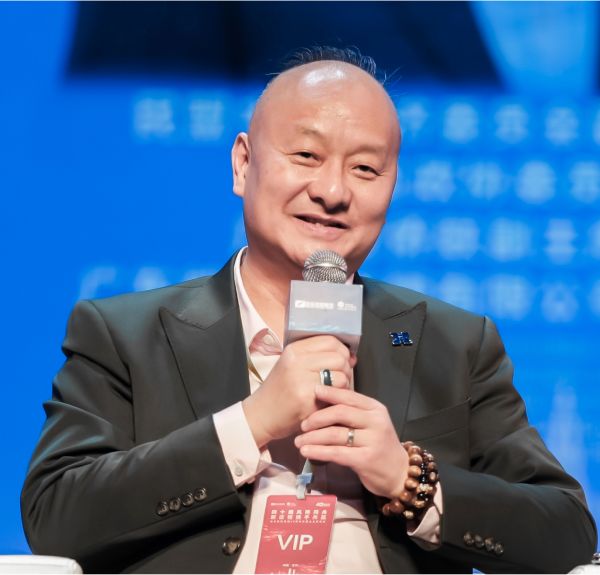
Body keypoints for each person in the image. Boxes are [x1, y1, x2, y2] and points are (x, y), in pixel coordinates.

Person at [22, 46, 596, 574]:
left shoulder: (454, 342)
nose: (333, 191)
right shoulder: (125, 334)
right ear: (243, 164)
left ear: (392, 187)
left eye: (365, 168)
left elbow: (566, 532)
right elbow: (56, 517)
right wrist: (249, 425)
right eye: (306, 155)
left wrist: (407, 478)